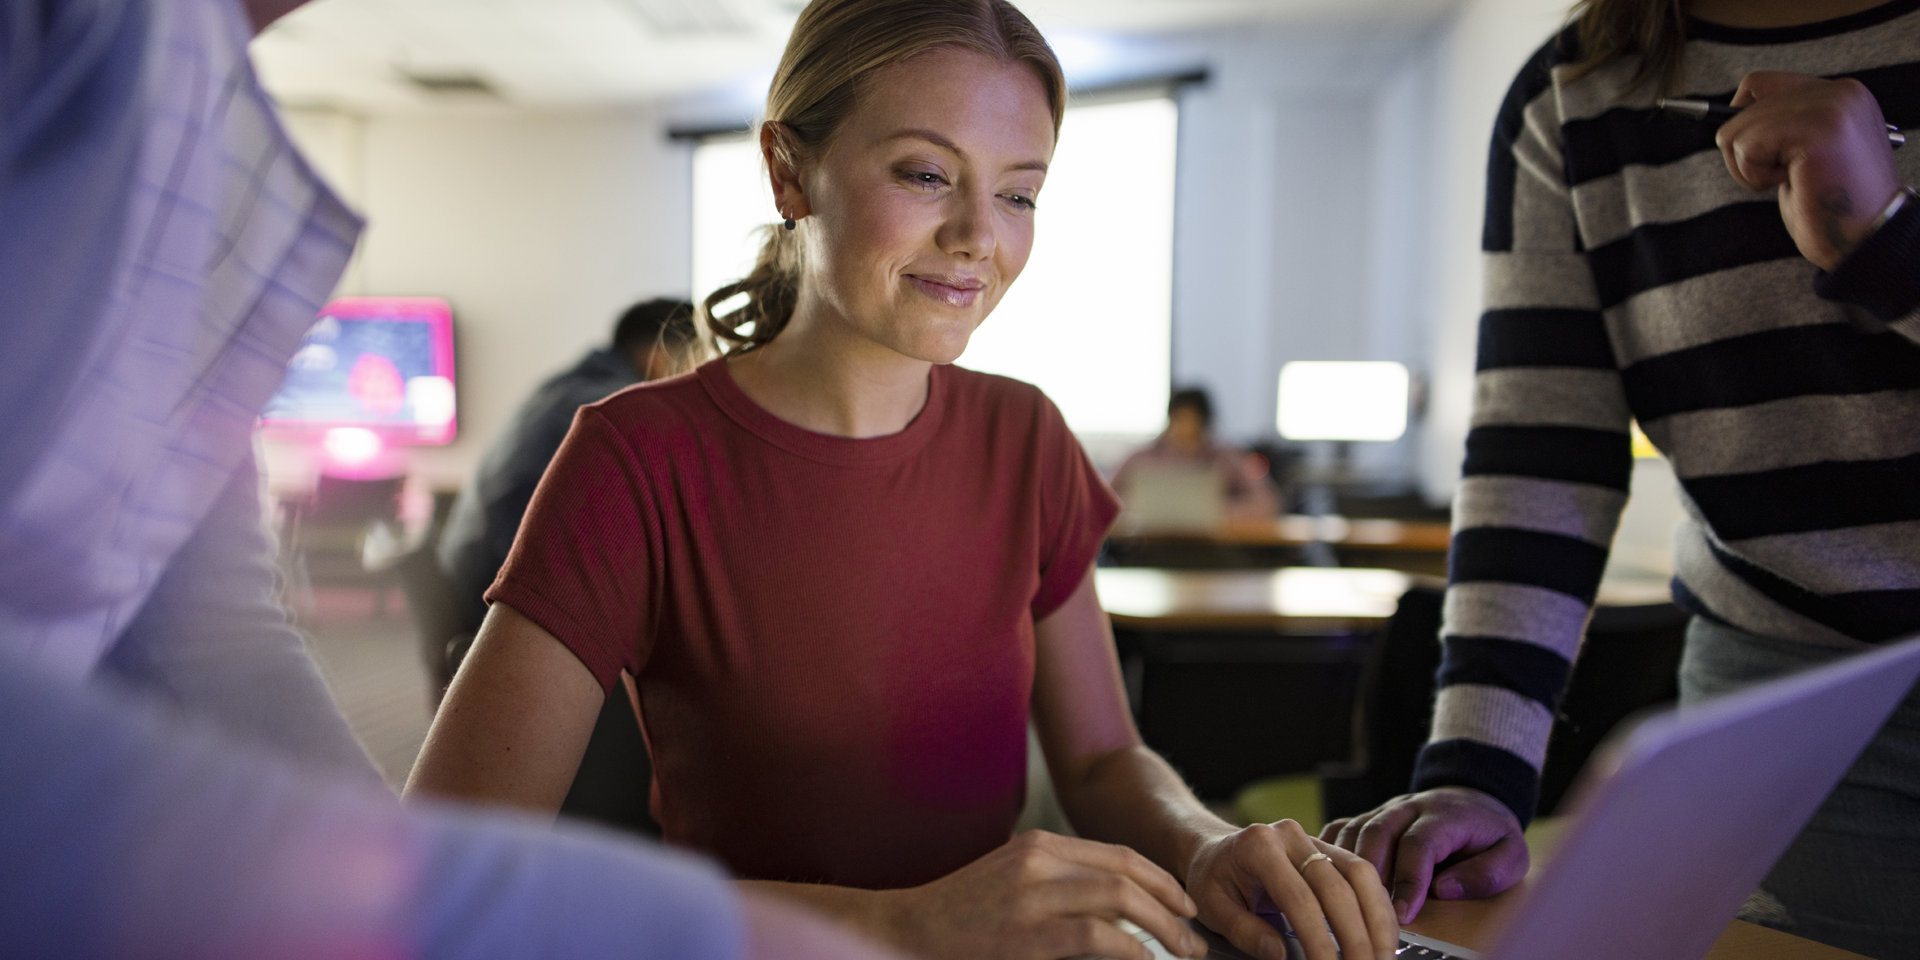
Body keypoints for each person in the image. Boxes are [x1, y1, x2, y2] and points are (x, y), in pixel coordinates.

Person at [405, 3, 1399, 960]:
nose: (978, 236)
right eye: (926, 174)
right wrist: (902, 928)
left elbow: (1101, 761)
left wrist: (1202, 840)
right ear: (789, 172)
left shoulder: (1026, 436)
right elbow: (447, 879)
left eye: (1018, 194)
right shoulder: (635, 457)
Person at [0, 0, 907, 956]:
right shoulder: (622, 431)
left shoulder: (188, 77)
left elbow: (206, 629)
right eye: (921, 173)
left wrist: (397, 891)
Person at [1320, 1, 1920, 956]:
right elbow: (1539, 462)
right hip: (1783, 704)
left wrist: (1888, 244)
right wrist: (1476, 771)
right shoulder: (1571, 97)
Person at [440, 298, 699, 625]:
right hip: (497, 597)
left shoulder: (568, 388)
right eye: (697, 361)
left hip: (468, 576)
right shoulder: (613, 407)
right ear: (661, 357)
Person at [1111, 387, 1280, 523]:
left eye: (1192, 422)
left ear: (1205, 423)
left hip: (1214, 547)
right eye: (1179, 420)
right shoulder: (1140, 458)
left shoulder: (1228, 458)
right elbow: (1104, 500)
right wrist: (1136, 507)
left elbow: (1268, 502)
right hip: (1144, 546)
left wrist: (1217, 511)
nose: (1185, 429)